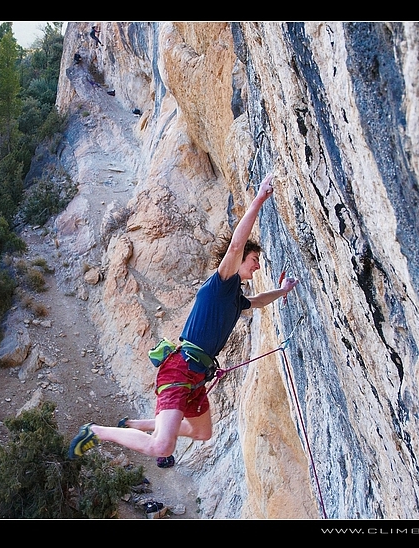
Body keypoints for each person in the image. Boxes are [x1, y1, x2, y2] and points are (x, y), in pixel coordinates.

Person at [68, 173, 300, 465]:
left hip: (197, 374)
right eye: (254, 260)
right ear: (241, 260)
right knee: (163, 447)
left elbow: (256, 302)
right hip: (180, 369)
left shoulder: (234, 297)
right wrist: (258, 200)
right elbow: (235, 246)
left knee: (202, 433)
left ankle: (139, 424)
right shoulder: (221, 282)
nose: (256, 266)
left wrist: (282, 291)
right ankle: (97, 431)